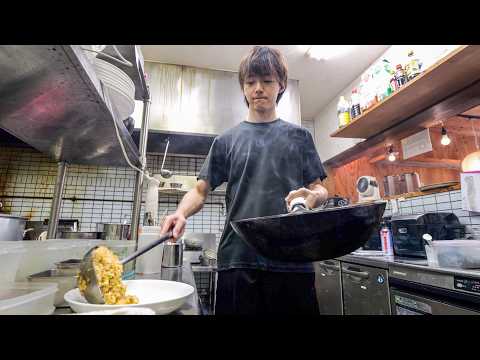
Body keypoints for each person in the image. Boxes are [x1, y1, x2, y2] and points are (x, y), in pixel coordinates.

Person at [160, 46, 329, 315]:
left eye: (267, 81)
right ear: (243, 87)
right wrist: (180, 213)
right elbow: (200, 190)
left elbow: (320, 189)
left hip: (292, 261)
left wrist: (315, 197)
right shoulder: (226, 141)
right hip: (238, 260)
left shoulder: (300, 138)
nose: (258, 88)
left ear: (281, 84)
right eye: (250, 82)